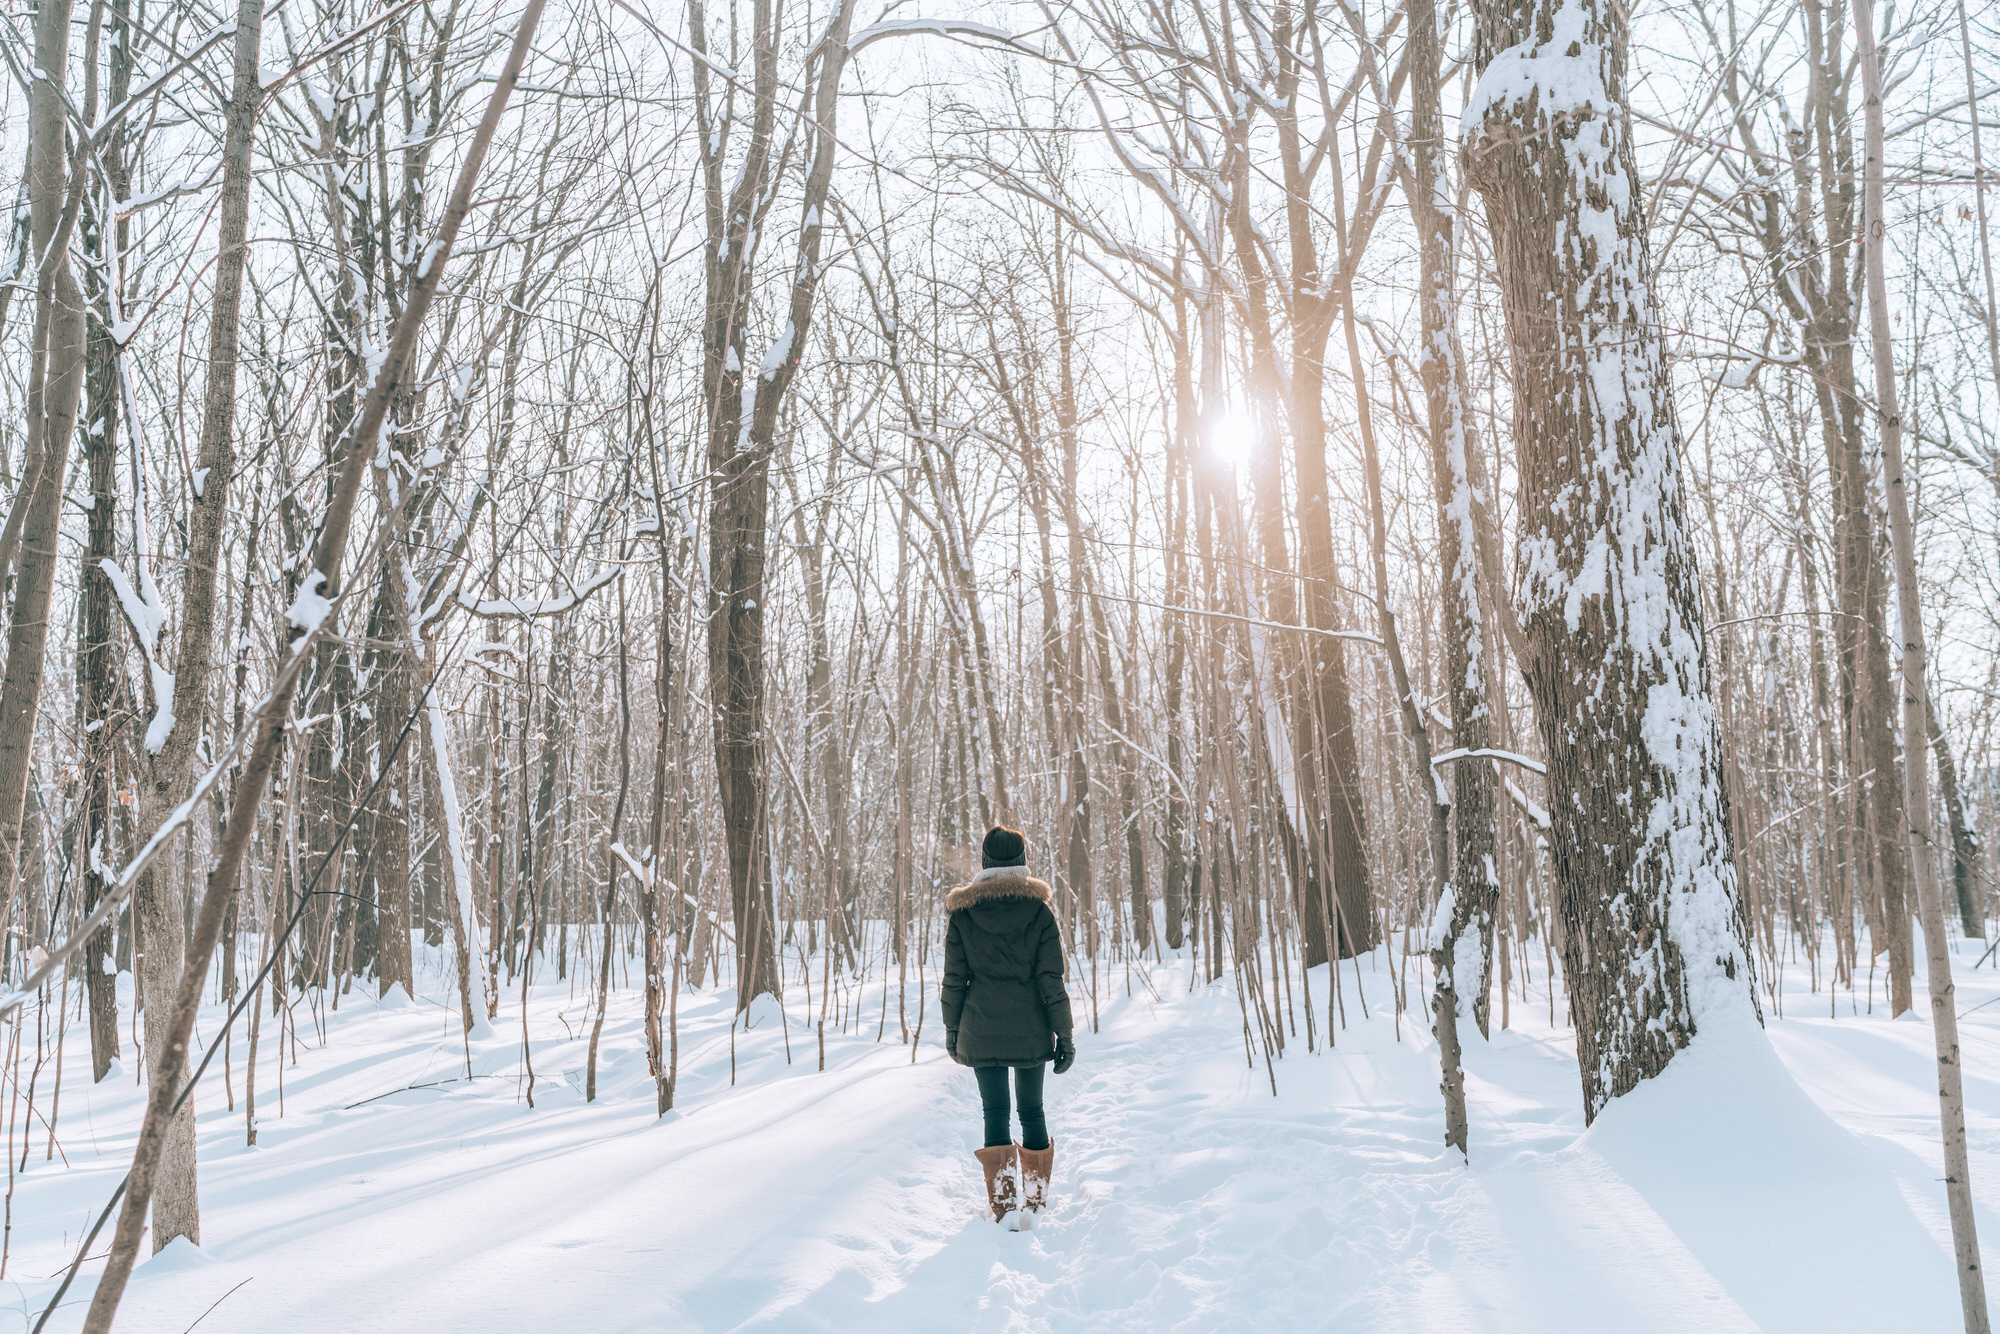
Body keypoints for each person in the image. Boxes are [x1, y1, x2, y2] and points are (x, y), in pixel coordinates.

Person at [941, 825, 1076, 1226]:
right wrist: (1064, 1033)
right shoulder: (1038, 911)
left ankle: (1003, 1207)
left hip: (980, 1028)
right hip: (1031, 1028)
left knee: (994, 1111)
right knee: (1032, 1110)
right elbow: (1051, 979)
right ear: (1021, 862)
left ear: (984, 864)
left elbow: (954, 981)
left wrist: (952, 1030)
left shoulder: (963, 913)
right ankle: (1034, 1202)